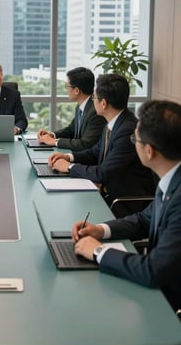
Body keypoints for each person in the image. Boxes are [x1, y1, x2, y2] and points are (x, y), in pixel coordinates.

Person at [72, 100, 181, 312]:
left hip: (169, 305)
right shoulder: (171, 179)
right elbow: (143, 219)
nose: (133, 143)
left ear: (149, 151)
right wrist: (101, 230)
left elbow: (153, 270)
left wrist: (99, 252)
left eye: (135, 139)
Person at [48, 74, 156, 207]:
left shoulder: (128, 130)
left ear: (103, 104)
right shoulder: (113, 123)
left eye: (94, 97)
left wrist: (69, 167)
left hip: (123, 202)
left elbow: (103, 173)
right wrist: (68, 157)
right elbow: (95, 152)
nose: (92, 101)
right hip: (105, 192)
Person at [37, 67, 106, 150]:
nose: (66, 89)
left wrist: (54, 142)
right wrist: (51, 135)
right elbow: (71, 130)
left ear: (77, 90)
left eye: (67, 86)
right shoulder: (80, 107)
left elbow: (85, 144)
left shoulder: (95, 111)